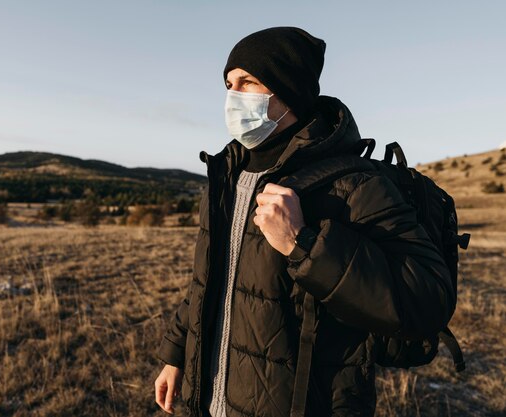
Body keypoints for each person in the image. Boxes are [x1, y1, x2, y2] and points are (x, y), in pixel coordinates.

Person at [154, 26, 454, 417]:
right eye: (229, 84)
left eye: (248, 81)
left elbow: (428, 298)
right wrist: (176, 354)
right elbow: (208, 279)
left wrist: (304, 244)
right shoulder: (226, 175)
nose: (232, 97)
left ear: (289, 88)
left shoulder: (353, 184)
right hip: (209, 401)